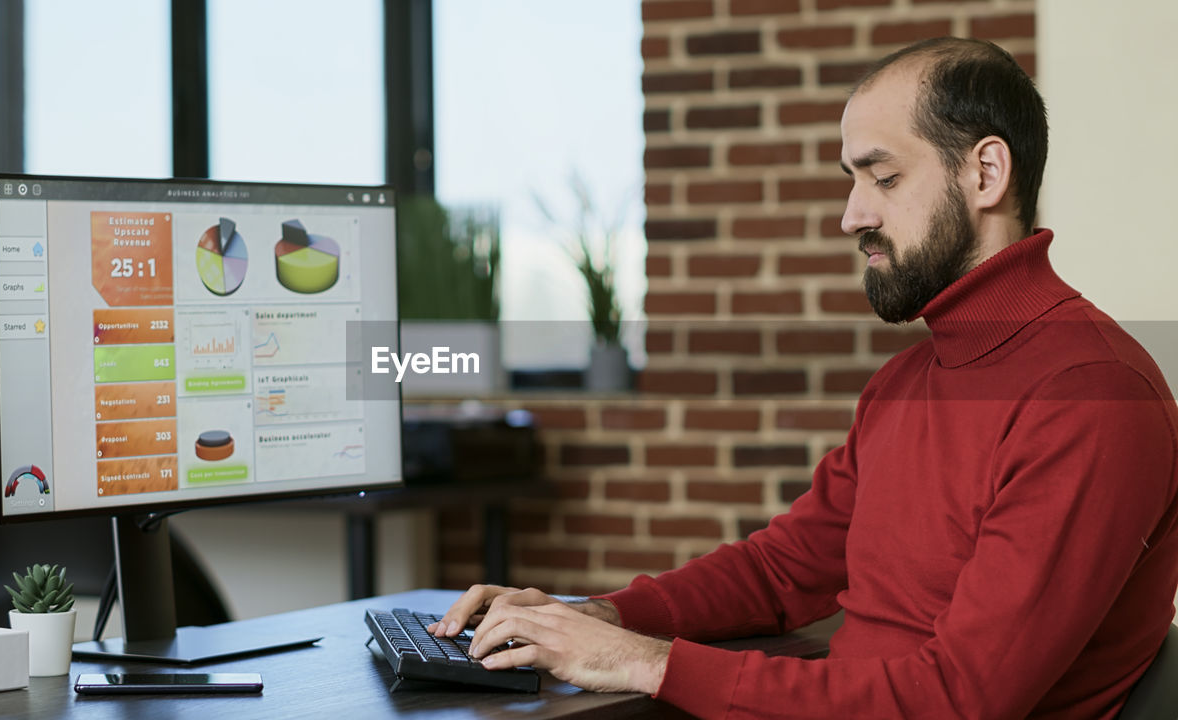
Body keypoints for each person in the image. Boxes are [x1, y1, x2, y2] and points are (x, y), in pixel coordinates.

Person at [428, 36, 1178, 719]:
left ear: (985, 172)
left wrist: (646, 663)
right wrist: (605, 616)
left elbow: (957, 700)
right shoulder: (907, 381)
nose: (852, 215)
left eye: (881, 177)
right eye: (852, 181)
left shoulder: (1092, 397)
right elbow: (783, 570)